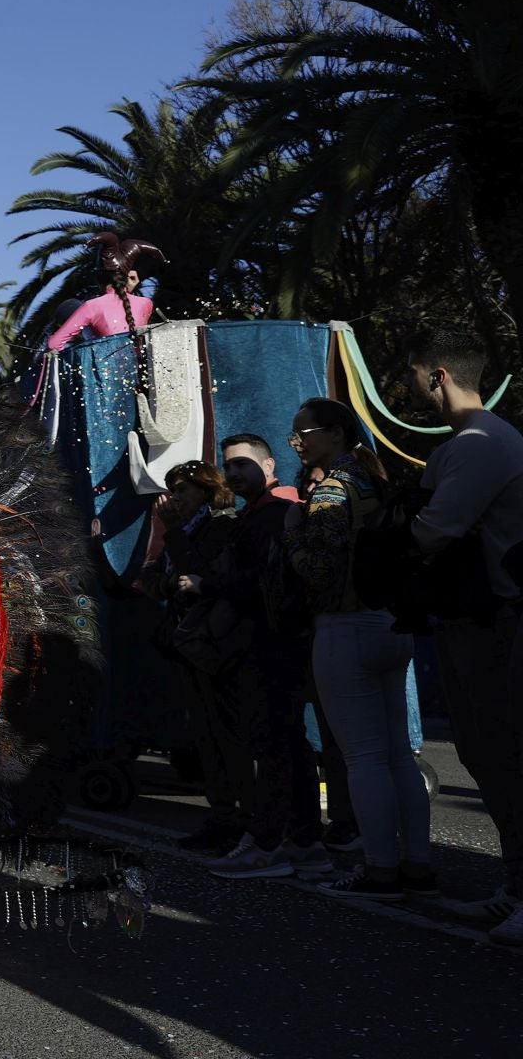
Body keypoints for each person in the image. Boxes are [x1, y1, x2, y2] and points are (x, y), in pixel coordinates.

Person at [285, 397, 433, 900]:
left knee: (364, 758)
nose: (297, 442)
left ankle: (380, 868)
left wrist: (293, 537)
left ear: (332, 433)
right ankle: (418, 863)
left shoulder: (329, 492)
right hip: (392, 623)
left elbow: (318, 572)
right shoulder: (377, 481)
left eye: (302, 432)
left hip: (345, 627)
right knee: (398, 755)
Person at [403, 328, 523, 941]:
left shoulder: (481, 441)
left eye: (412, 372)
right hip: (467, 614)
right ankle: (513, 886)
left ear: (439, 375)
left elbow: (432, 530)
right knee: (483, 753)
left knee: (502, 750)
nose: (407, 384)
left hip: (492, 616)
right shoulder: (469, 441)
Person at [197, 435, 333, 880]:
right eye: (228, 466)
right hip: (267, 643)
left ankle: (269, 842)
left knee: (274, 742)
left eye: (242, 464)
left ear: (268, 464)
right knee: (286, 742)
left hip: (273, 644)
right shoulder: (257, 514)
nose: (233, 473)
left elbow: (263, 582)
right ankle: (303, 840)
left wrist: (206, 585)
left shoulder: (272, 516)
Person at [142, 459, 249, 852]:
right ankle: (222, 815)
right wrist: (170, 580)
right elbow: (156, 579)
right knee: (206, 732)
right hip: (189, 642)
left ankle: (243, 818)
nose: (174, 498)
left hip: (217, 642)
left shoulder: (219, 525)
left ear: (206, 490)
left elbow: (199, 576)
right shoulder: (181, 530)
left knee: (227, 732)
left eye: (183, 489)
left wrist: (174, 545)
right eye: (172, 488)